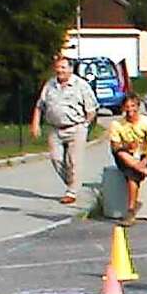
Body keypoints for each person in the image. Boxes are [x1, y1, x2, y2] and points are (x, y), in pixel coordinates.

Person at [30, 56, 98, 205]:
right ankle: (72, 181)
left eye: (63, 67)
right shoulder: (50, 85)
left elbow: (91, 110)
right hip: (55, 128)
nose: (60, 70)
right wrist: (35, 124)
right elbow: (39, 106)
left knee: (74, 161)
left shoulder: (81, 85)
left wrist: (85, 124)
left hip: (76, 127)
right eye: (58, 67)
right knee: (56, 158)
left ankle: (72, 192)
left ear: (70, 69)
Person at [107, 93, 147, 225]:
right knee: (121, 153)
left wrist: (142, 163)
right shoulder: (117, 124)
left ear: (138, 107)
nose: (130, 110)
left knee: (132, 175)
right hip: (125, 156)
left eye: (133, 106)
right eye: (127, 107)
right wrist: (127, 146)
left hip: (144, 156)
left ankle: (131, 210)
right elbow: (115, 146)